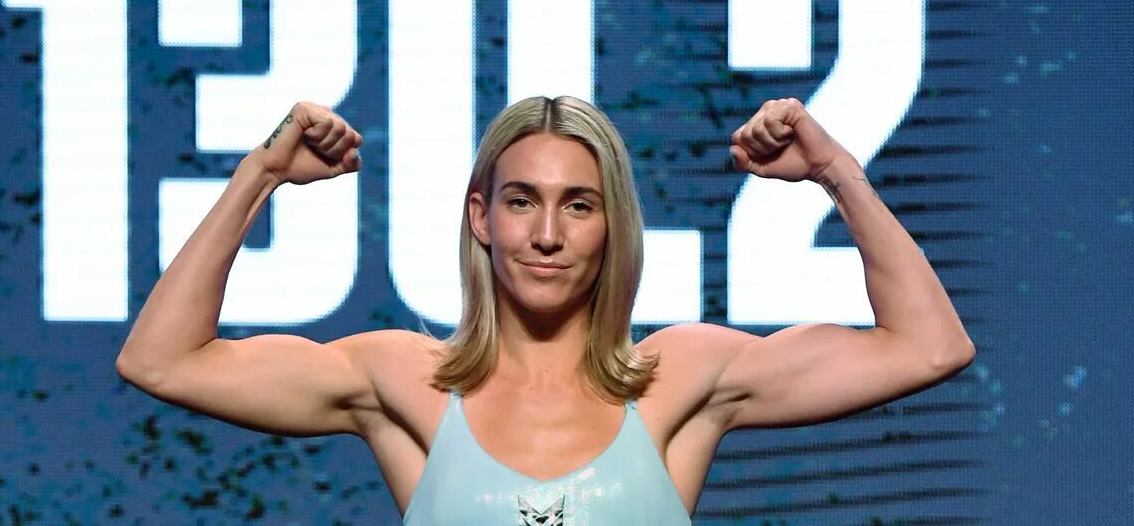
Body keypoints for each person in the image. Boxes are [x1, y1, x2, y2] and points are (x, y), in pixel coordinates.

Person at [116, 96, 975, 525]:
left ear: (612, 226)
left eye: (579, 205)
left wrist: (833, 171)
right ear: (481, 218)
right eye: (521, 201)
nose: (548, 235)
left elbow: (929, 347)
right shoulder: (403, 382)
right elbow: (160, 361)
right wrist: (261, 173)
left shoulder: (682, 379)